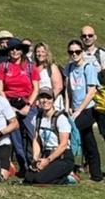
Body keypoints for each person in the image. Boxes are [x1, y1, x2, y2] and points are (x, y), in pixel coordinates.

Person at [0, 37, 39, 175]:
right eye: (11, 49)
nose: (14, 51)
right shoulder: (3, 66)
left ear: (22, 51)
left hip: (27, 103)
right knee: (16, 138)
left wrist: (28, 105)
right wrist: (7, 107)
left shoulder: (31, 67)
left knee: (32, 135)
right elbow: (0, 88)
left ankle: (36, 164)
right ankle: (24, 167)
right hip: (9, 104)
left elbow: (36, 88)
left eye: (17, 49)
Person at [64, 39, 102, 182]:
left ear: (82, 52)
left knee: (69, 133)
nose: (74, 54)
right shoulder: (69, 68)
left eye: (77, 51)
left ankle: (70, 169)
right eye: (71, 52)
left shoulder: (88, 68)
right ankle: (96, 175)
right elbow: (68, 89)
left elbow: (91, 92)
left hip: (88, 108)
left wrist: (78, 111)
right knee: (88, 139)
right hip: (74, 108)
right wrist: (67, 106)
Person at [25, 88, 76, 185]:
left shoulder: (61, 118)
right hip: (46, 154)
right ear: (38, 100)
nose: (45, 100)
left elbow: (63, 145)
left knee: (39, 179)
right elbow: (36, 139)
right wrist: (35, 159)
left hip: (62, 157)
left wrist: (47, 161)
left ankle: (68, 178)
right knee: (28, 178)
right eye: (42, 97)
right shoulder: (38, 117)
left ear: (53, 100)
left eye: (48, 97)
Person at [34, 43, 64, 111]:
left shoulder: (51, 67)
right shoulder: (34, 68)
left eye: (42, 52)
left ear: (47, 53)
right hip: (38, 104)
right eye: (38, 51)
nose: (40, 54)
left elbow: (58, 87)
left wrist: (48, 101)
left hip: (52, 104)